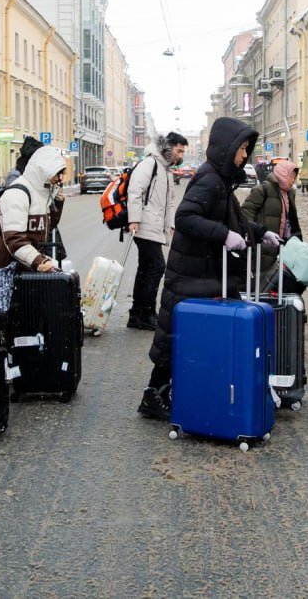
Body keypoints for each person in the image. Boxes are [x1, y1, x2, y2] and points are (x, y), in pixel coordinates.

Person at [139, 117, 276, 421]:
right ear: (226, 149)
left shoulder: (220, 181)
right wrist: (224, 236)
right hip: (192, 273)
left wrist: (257, 232)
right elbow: (186, 217)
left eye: (246, 149)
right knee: (174, 334)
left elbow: (232, 221)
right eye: (241, 149)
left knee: (192, 333)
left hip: (206, 272)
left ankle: (199, 389)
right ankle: (153, 394)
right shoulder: (210, 179)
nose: (244, 156)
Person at [127, 132, 188, 330]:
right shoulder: (150, 164)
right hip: (144, 225)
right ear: (168, 147)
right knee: (156, 266)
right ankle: (146, 313)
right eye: (179, 150)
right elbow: (135, 191)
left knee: (145, 268)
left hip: (154, 226)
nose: (181, 155)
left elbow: (169, 201)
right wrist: (134, 220)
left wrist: (170, 224)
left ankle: (137, 314)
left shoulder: (165, 169)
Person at [0, 145, 67, 272]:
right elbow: (14, 239)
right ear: (44, 171)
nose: (59, 179)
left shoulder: (42, 193)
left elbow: (45, 228)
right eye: (57, 174)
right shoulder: (17, 194)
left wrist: (57, 202)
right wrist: (39, 261)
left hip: (28, 268)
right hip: (8, 270)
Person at [241, 157, 302, 290]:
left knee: (278, 281)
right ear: (282, 174)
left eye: (294, 177)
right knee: (260, 281)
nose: (293, 180)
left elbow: (291, 219)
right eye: (290, 176)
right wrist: (258, 234)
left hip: (281, 245)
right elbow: (245, 214)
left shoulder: (289, 193)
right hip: (263, 246)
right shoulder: (262, 190)